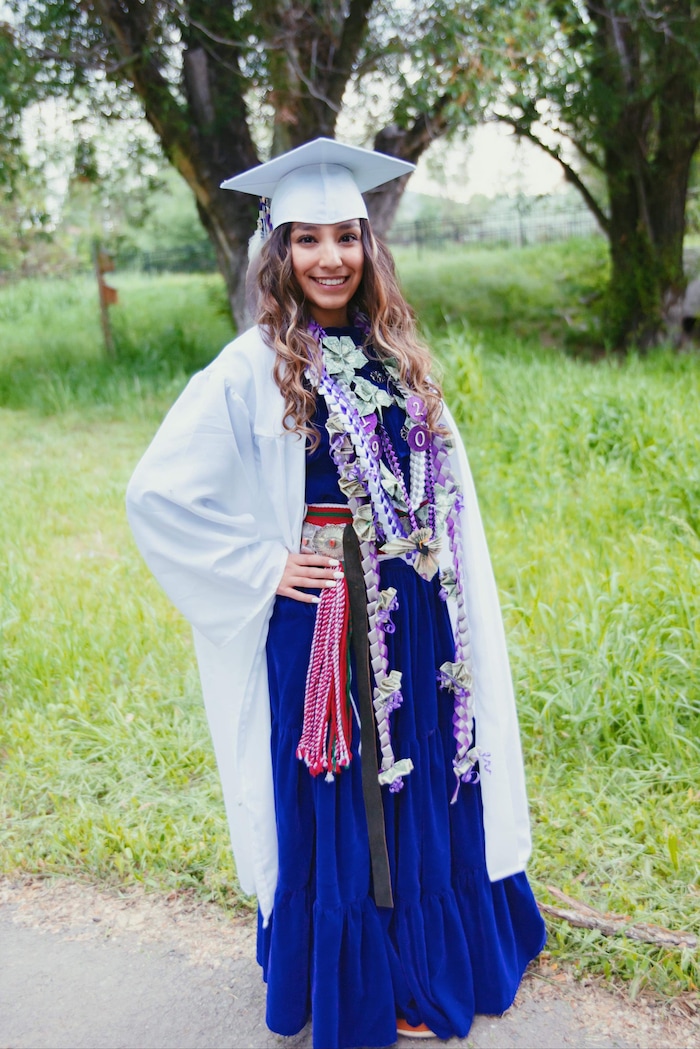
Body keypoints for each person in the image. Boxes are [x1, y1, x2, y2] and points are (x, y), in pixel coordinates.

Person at [126, 138, 545, 1049]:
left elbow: (447, 479)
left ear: (368, 247)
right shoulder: (253, 365)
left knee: (425, 777)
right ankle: (377, 975)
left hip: (418, 612)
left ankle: (434, 952)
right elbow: (157, 492)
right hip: (330, 620)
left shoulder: (396, 353)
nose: (329, 258)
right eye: (307, 239)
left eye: (345, 237)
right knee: (353, 792)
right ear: (279, 254)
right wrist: (264, 565)